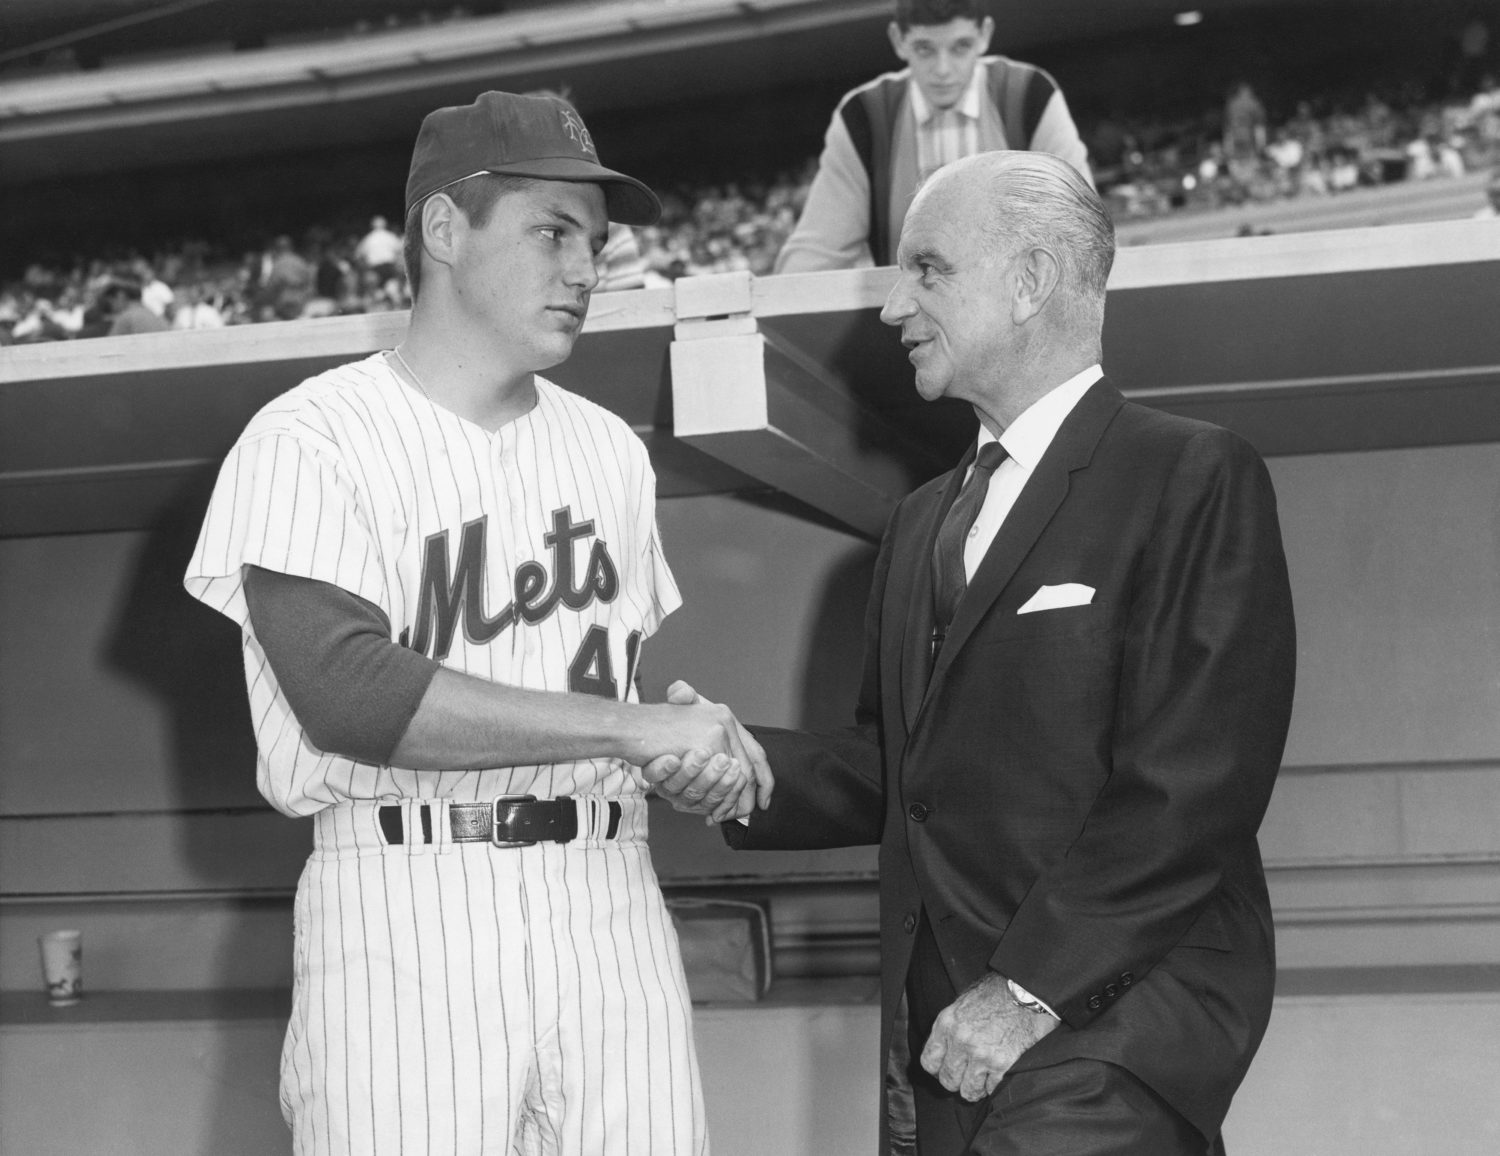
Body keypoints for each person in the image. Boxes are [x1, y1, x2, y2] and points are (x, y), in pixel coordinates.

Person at [661, 151, 1296, 1154]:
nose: (892, 307)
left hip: (1101, 1031)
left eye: (928, 268)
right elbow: (894, 766)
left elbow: (1194, 783)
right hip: (945, 1047)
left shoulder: (1190, 473)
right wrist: (740, 765)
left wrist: (1031, 989)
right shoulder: (921, 523)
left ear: (1033, 279)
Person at [183, 89, 771, 1156]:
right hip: (407, 897)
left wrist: (681, 753)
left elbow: (609, 702)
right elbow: (351, 696)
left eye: (595, 241)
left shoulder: (610, 452)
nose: (586, 269)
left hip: (609, 890)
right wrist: (633, 731)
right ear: (444, 230)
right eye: (552, 231)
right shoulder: (310, 437)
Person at [775, 0, 1091, 274]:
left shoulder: (1030, 95)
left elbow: (1083, 229)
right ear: (898, 40)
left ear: (985, 35)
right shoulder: (864, 116)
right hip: (909, 327)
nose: (942, 69)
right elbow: (812, 257)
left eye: (960, 47)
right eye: (925, 49)